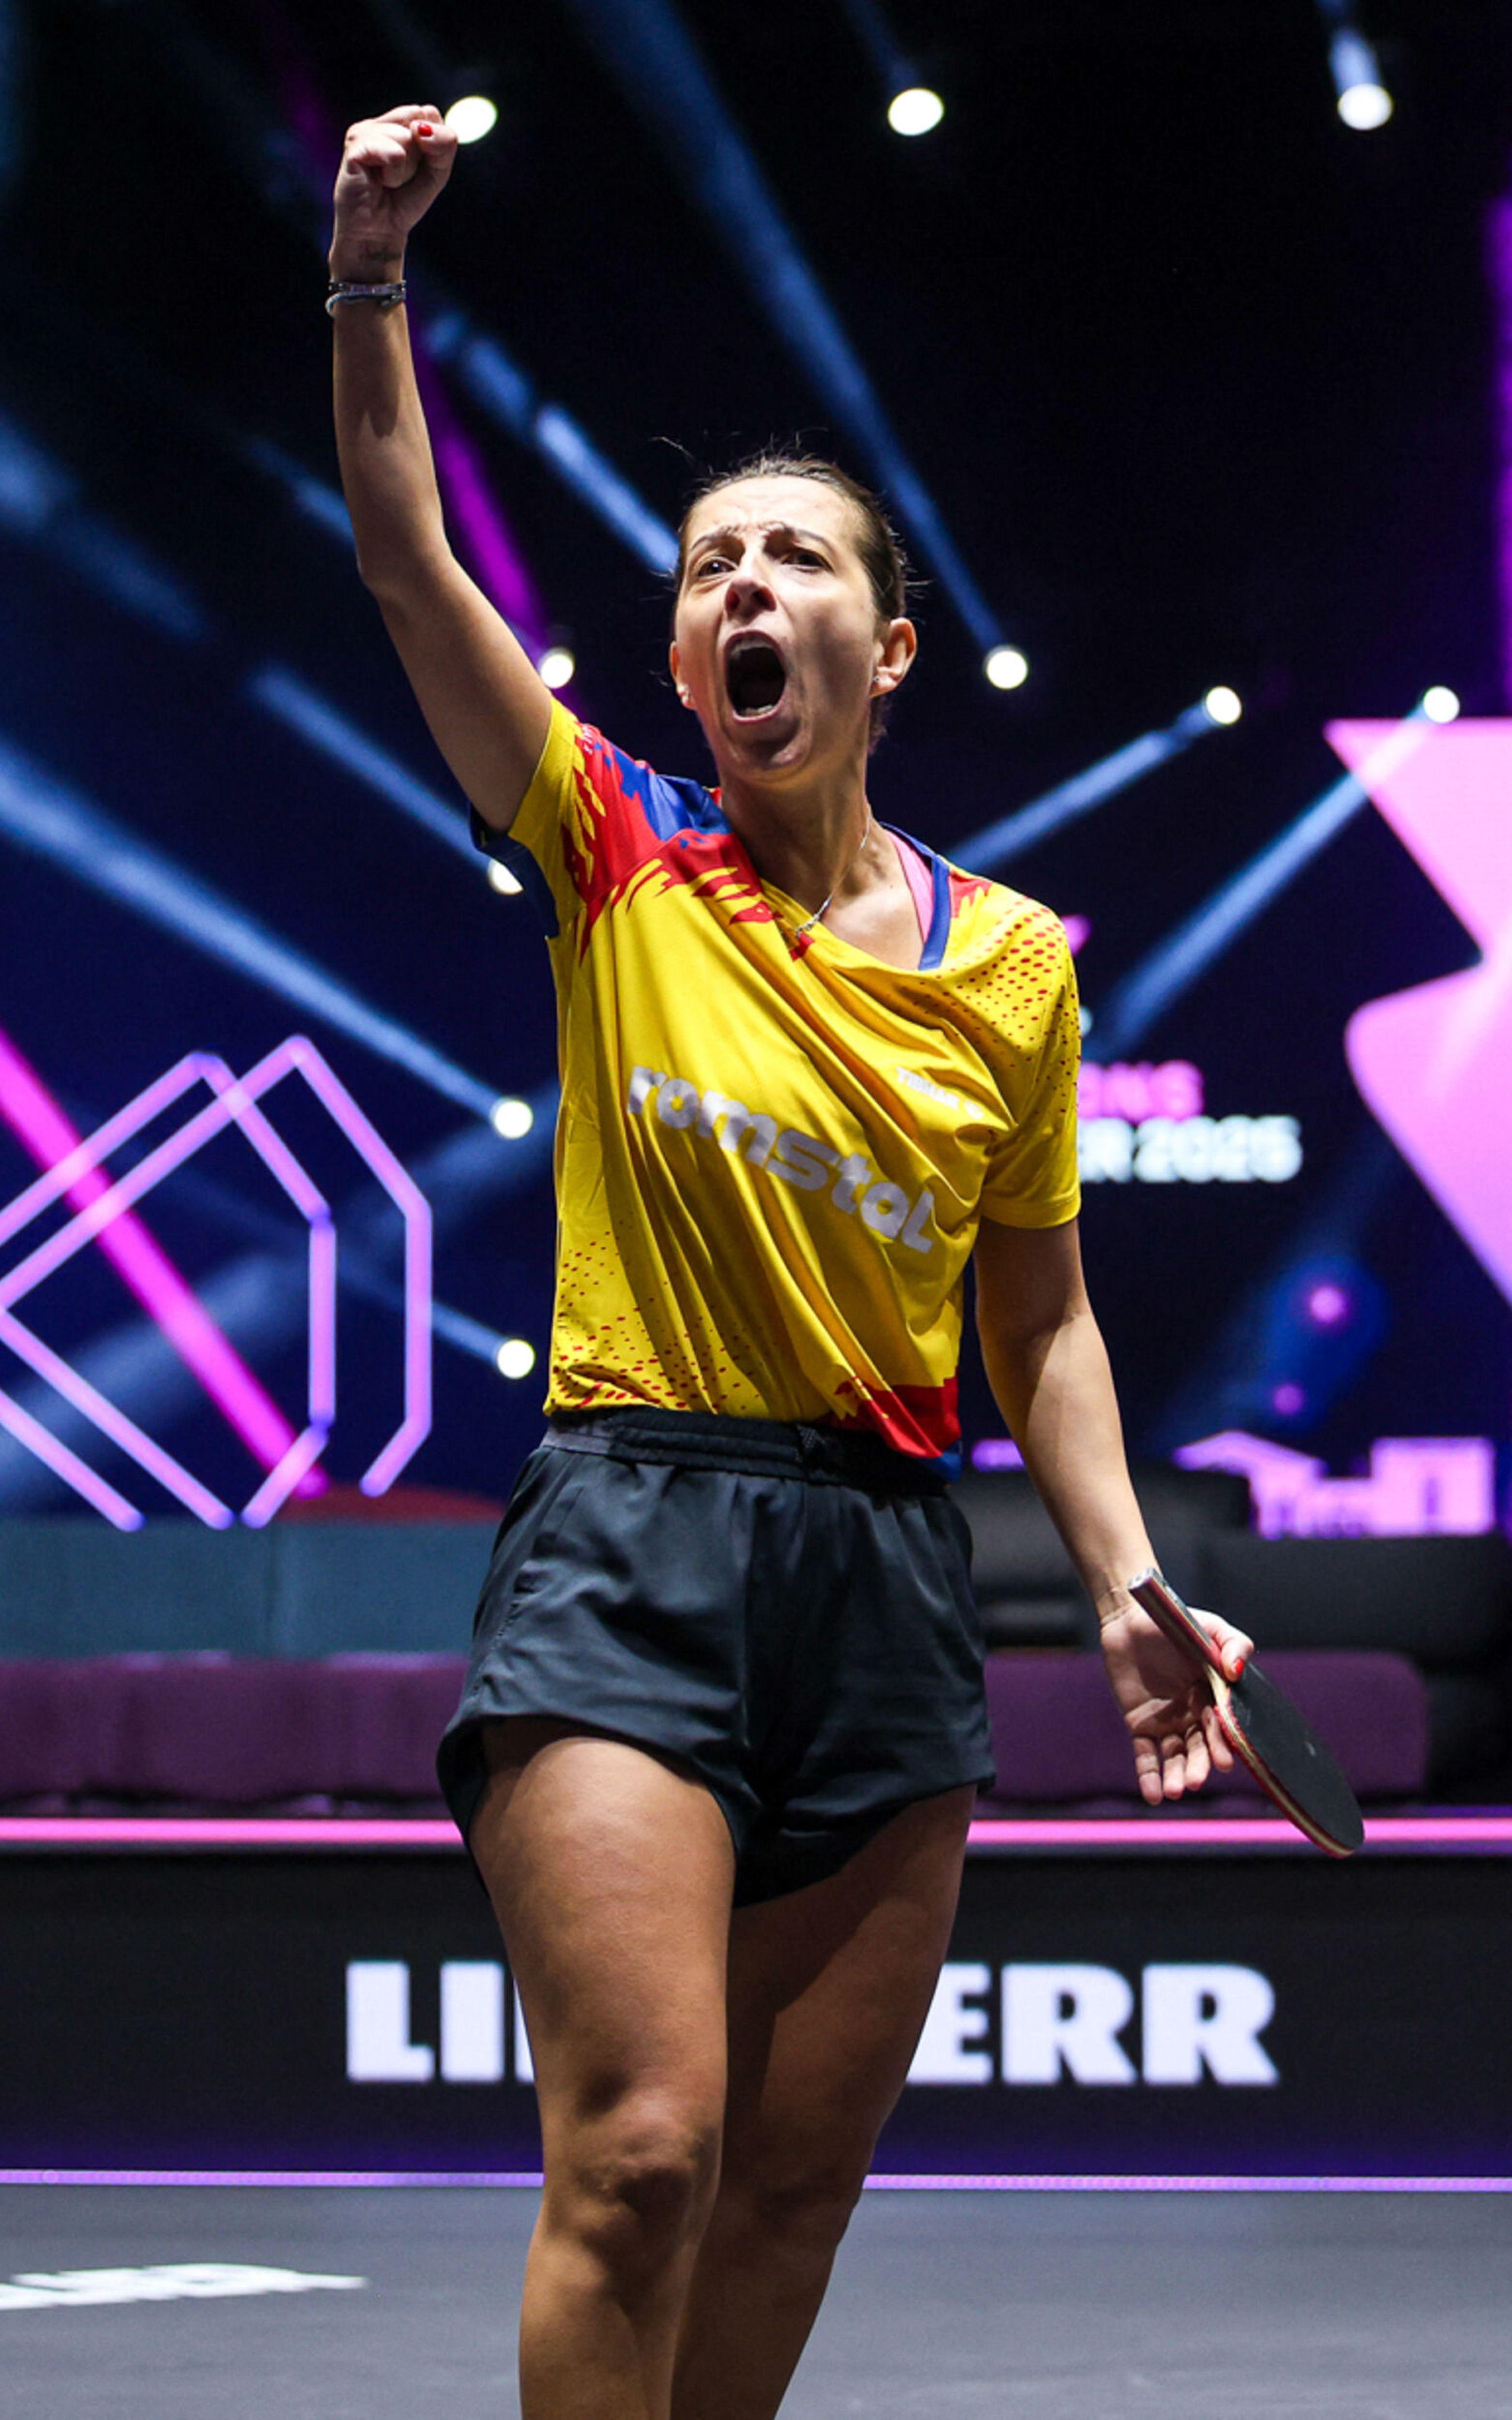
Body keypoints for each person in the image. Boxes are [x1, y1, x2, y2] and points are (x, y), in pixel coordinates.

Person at [329, 104, 1254, 2420]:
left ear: (889, 643)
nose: (746, 588)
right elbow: (409, 558)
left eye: (795, 559)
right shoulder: (614, 850)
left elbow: (1040, 1313)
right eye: (709, 568)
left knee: (789, 2192)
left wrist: (1129, 1577)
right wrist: (366, 277)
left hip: (883, 1571)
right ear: (679, 649)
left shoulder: (1015, 965)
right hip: (629, 1539)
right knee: (647, 2152)